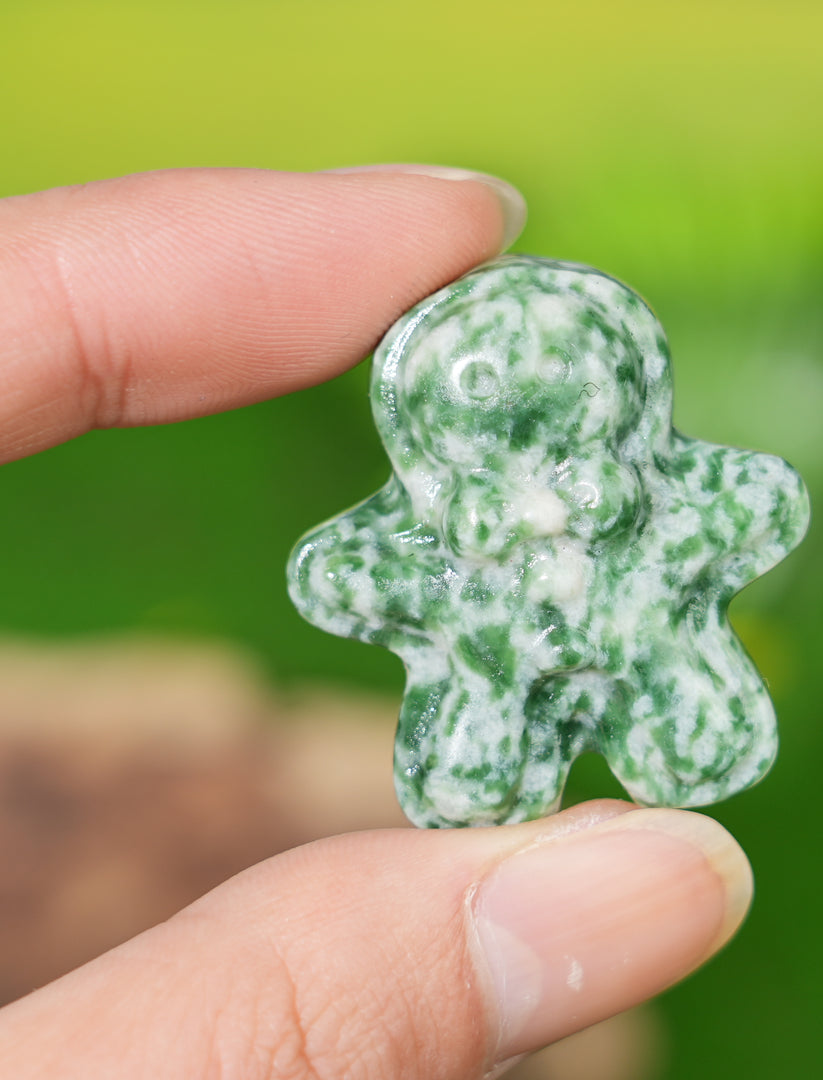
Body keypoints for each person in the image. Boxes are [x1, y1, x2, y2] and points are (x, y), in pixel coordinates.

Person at [0, 165, 754, 1079]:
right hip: (485, 678)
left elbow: (751, 502)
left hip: (650, 646)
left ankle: (681, 739)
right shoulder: (442, 524)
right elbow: (341, 573)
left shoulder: (647, 501)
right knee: (476, 775)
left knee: (693, 729)